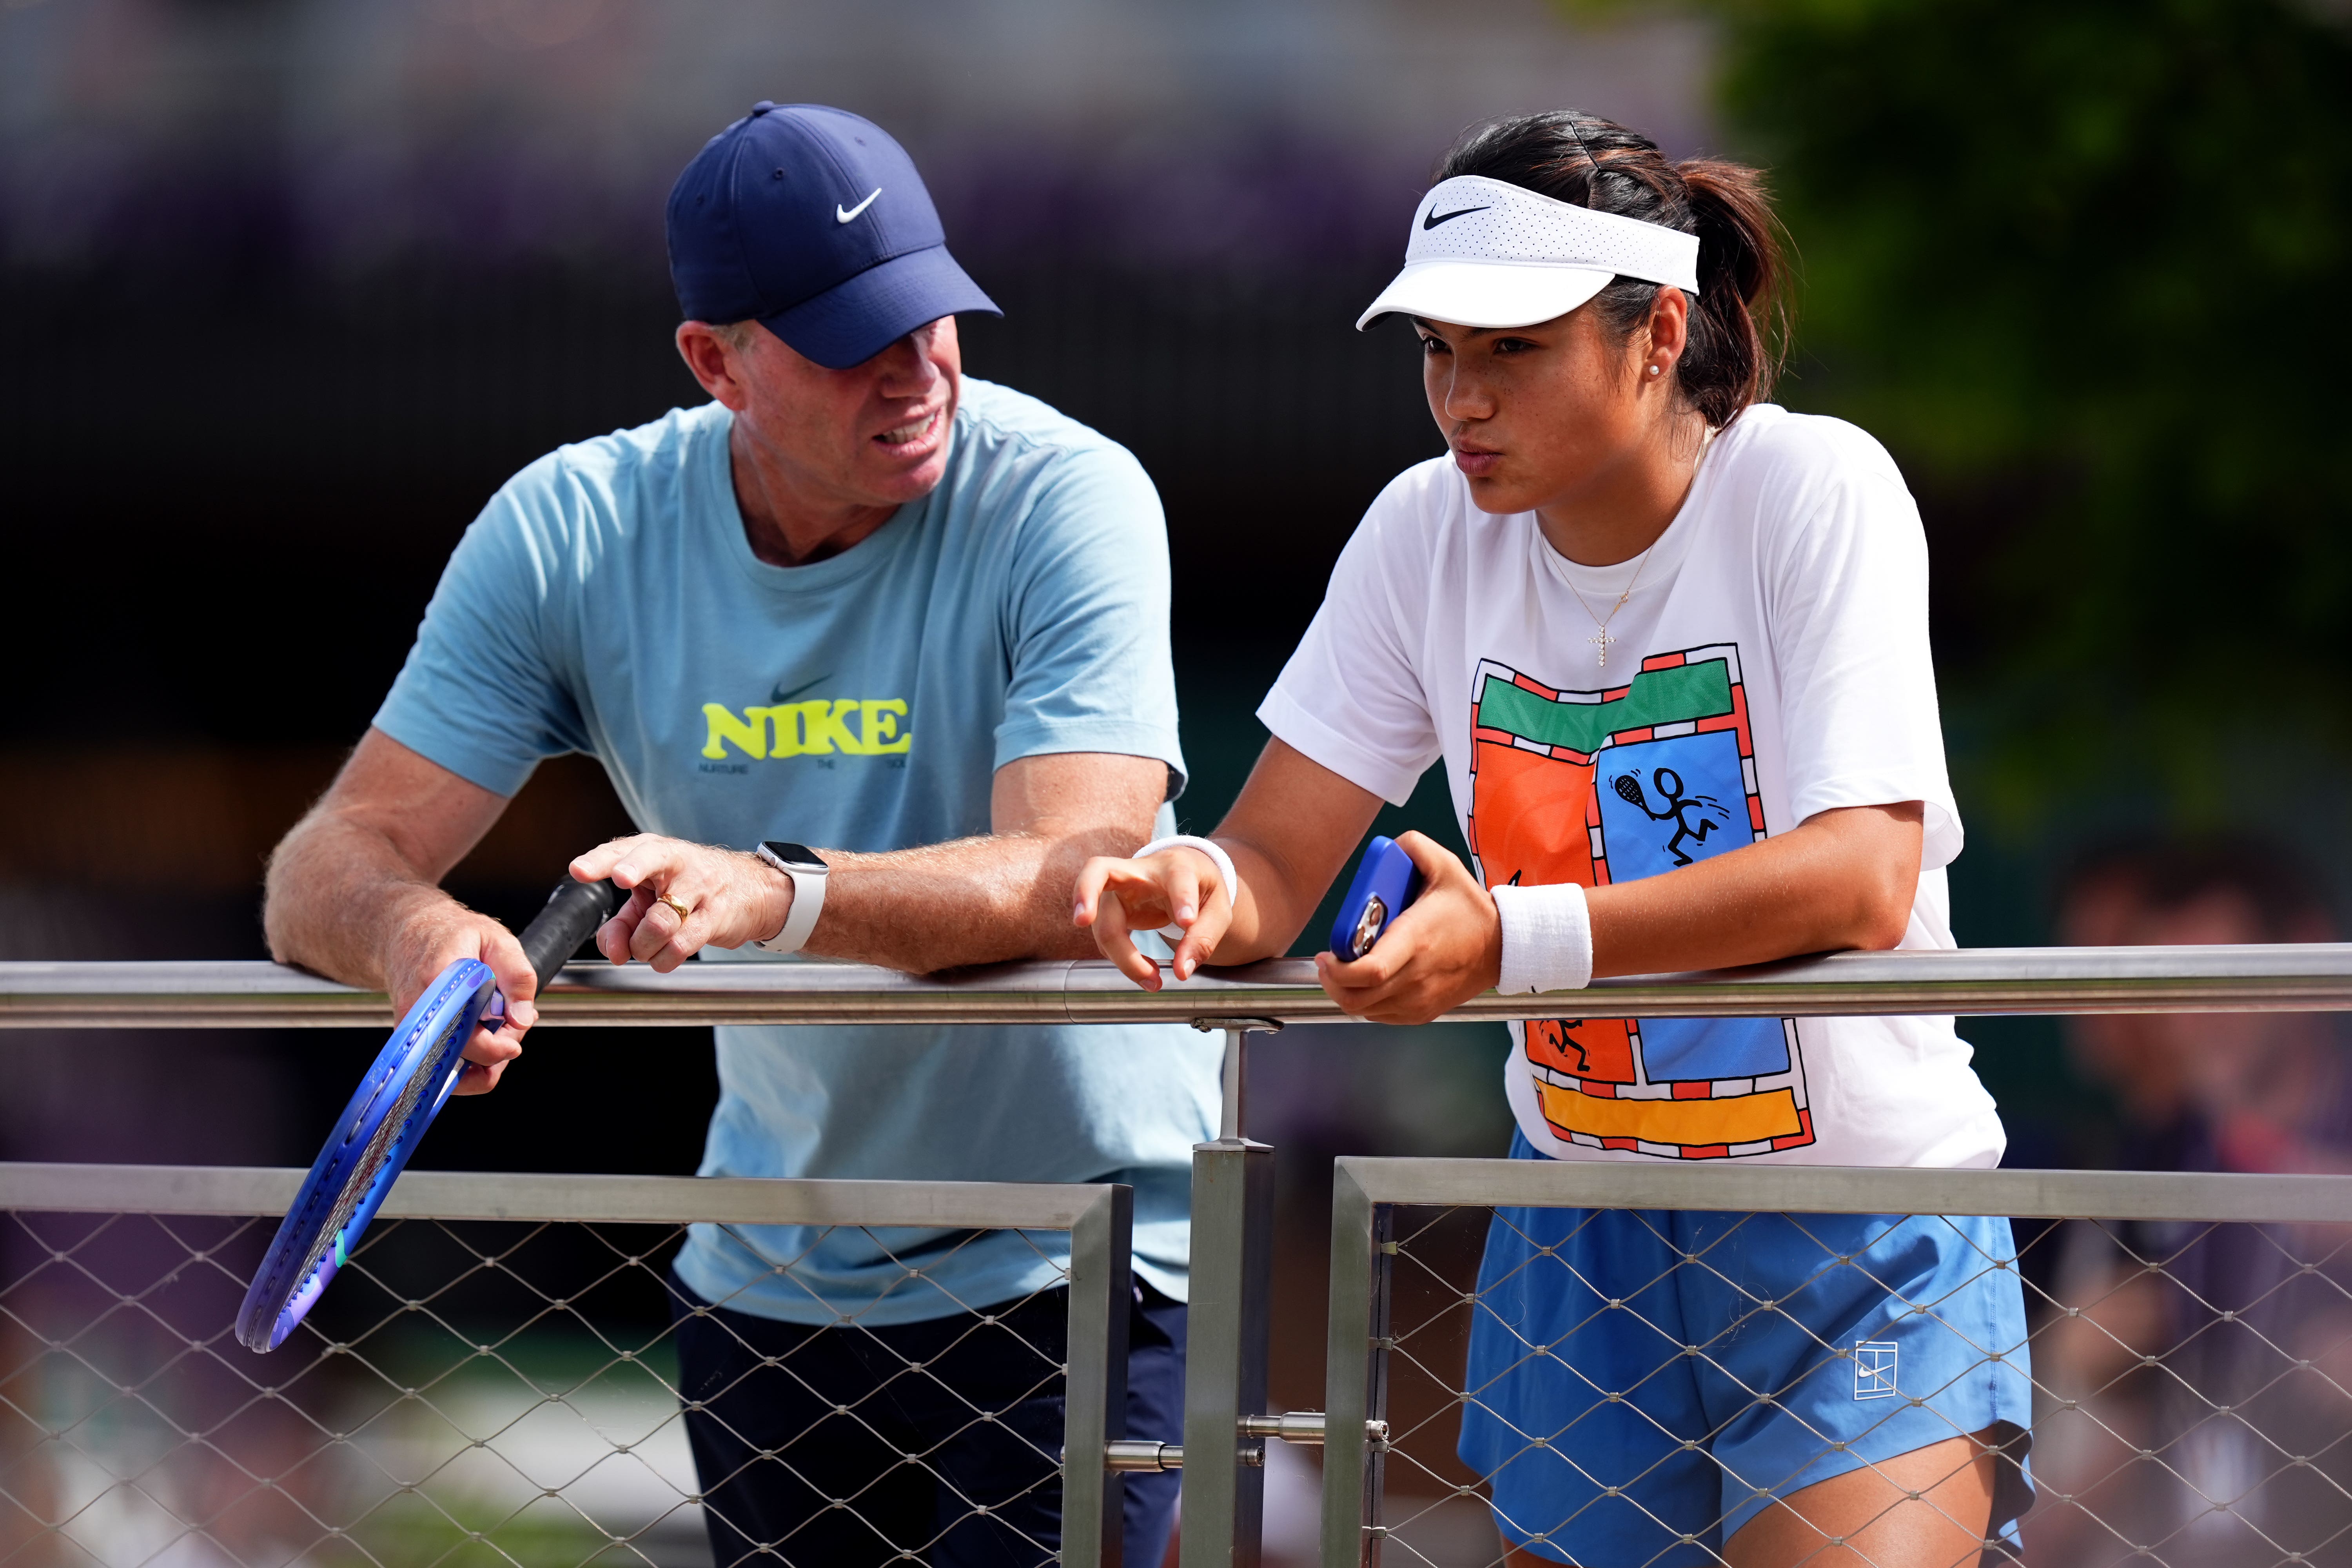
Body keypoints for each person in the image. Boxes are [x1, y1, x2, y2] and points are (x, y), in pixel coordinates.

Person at [1074, 111, 2033, 1566]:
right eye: (1437, 352)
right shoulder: (1419, 532)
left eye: (1512, 348)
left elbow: (1862, 873)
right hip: (1575, 1225)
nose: (1462, 397)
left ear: (1657, 334)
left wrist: (1509, 941)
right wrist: (1193, 884)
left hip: (1858, 1225)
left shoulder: (1812, 485)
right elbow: (1273, 860)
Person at [263, 102, 1215, 1568]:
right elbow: (325, 862)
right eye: (855, 341)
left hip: (1076, 1259)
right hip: (763, 1274)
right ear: (716, 362)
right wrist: (417, 932)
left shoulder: (1067, 494)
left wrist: (766, 895)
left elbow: (1074, 872)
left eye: (934, 317)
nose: (918, 376)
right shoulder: (571, 530)